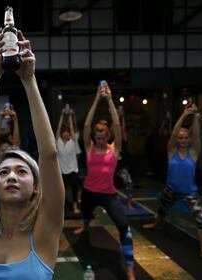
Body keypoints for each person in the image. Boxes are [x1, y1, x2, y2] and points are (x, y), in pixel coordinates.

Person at [0, 29, 64, 279]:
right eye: (3, 172)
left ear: (35, 187)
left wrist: (29, 81)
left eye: (22, 171)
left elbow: (50, 155)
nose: (11, 176)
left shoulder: (46, 229)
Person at [73, 83, 135, 280]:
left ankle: (130, 268)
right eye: (97, 137)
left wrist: (108, 99)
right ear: (94, 137)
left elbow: (117, 126)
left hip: (109, 195)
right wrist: (96, 99)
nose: (100, 140)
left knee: (124, 226)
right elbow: (86, 125)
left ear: (107, 136)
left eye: (103, 137)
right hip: (90, 192)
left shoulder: (114, 150)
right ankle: (85, 225)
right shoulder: (90, 148)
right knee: (85, 213)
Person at [143, 104, 202, 266]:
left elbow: (196, 134)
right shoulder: (171, 151)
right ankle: (156, 224)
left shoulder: (194, 153)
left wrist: (195, 114)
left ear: (189, 139)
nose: (182, 140)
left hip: (190, 193)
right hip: (171, 189)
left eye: (185, 138)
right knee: (162, 208)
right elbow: (174, 133)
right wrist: (184, 115)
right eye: (180, 138)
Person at [55, 107, 80, 214]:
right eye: (64, 132)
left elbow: (72, 127)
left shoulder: (73, 141)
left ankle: (75, 205)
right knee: (61, 191)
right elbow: (59, 128)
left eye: (67, 132)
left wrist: (69, 115)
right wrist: (62, 115)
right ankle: (61, 207)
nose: (65, 134)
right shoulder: (58, 141)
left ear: (70, 134)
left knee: (74, 188)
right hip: (61, 171)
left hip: (73, 169)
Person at [115, 105, 135, 210]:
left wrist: (122, 117)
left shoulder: (123, 141)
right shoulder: (111, 140)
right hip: (111, 168)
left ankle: (129, 203)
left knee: (129, 183)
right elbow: (115, 127)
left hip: (121, 168)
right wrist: (117, 116)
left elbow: (123, 130)